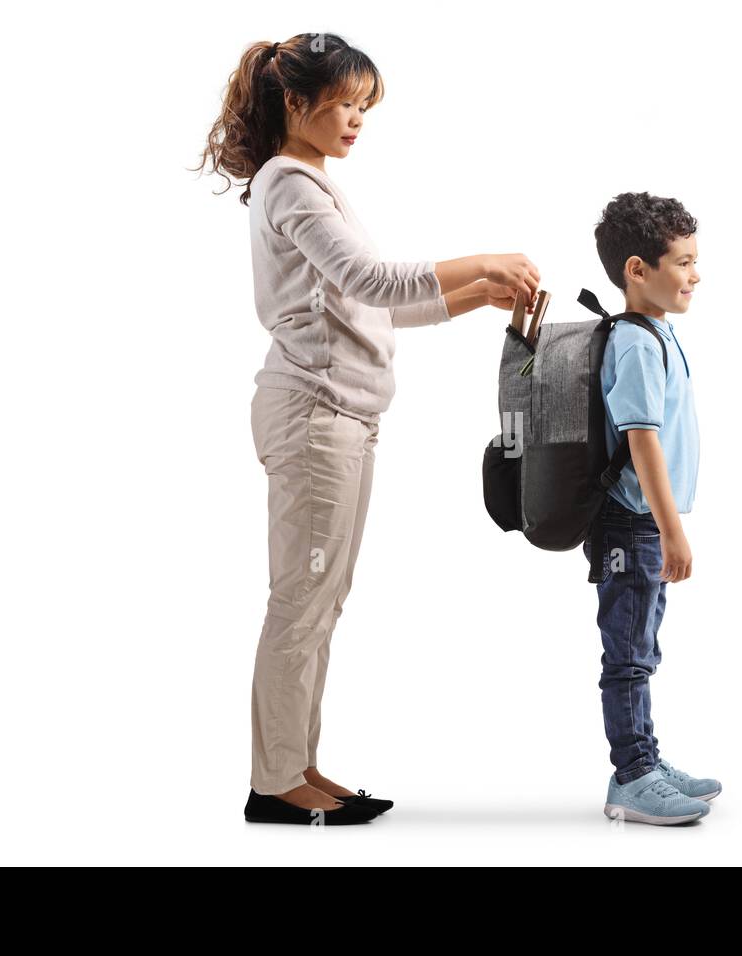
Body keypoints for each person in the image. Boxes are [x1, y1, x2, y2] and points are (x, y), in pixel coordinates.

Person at [195, 33, 540, 824]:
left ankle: (297, 766)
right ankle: (275, 783)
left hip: (341, 415)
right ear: (296, 104)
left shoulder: (310, 182)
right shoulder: (290, 184)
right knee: (302, 600)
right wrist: (483, 259)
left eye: (363, 105)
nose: (357, 119)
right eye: (345, 103)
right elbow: (369, 278)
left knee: (322, 600)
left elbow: (368, 302)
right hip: (314, 415)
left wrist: (480, 294)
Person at [582, 191, 723, 826]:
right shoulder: (637, 344)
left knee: (642, 642)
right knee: (629, 651)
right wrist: (672, 530)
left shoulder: (654, 332)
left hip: (643, 523)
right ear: (637, 270)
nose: (696, 274)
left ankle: (645, 758)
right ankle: (632, 775)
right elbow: (643, 444)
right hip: (633, 522)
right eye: (684, 262)